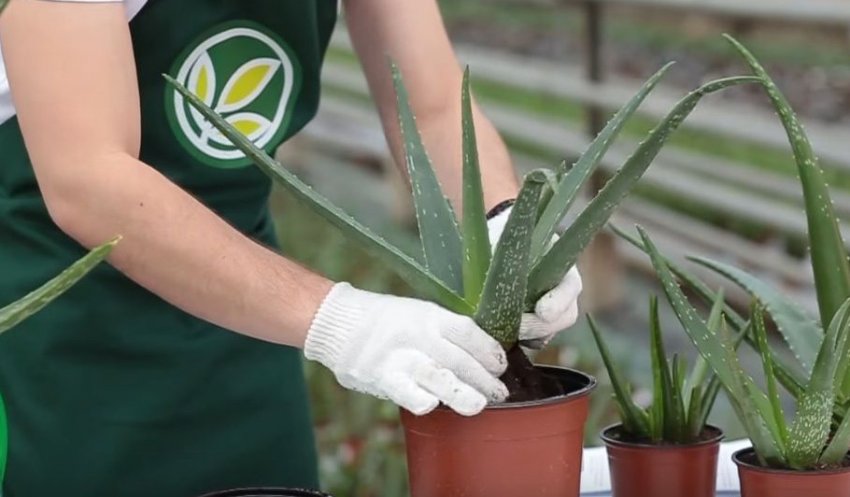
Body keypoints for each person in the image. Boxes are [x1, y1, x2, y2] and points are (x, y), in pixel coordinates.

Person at [0, 1, 582, 495]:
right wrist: (343, 321)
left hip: (247, 326)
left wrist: (507, 220)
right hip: (60, 340)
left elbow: (431, 108)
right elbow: (88, 181)